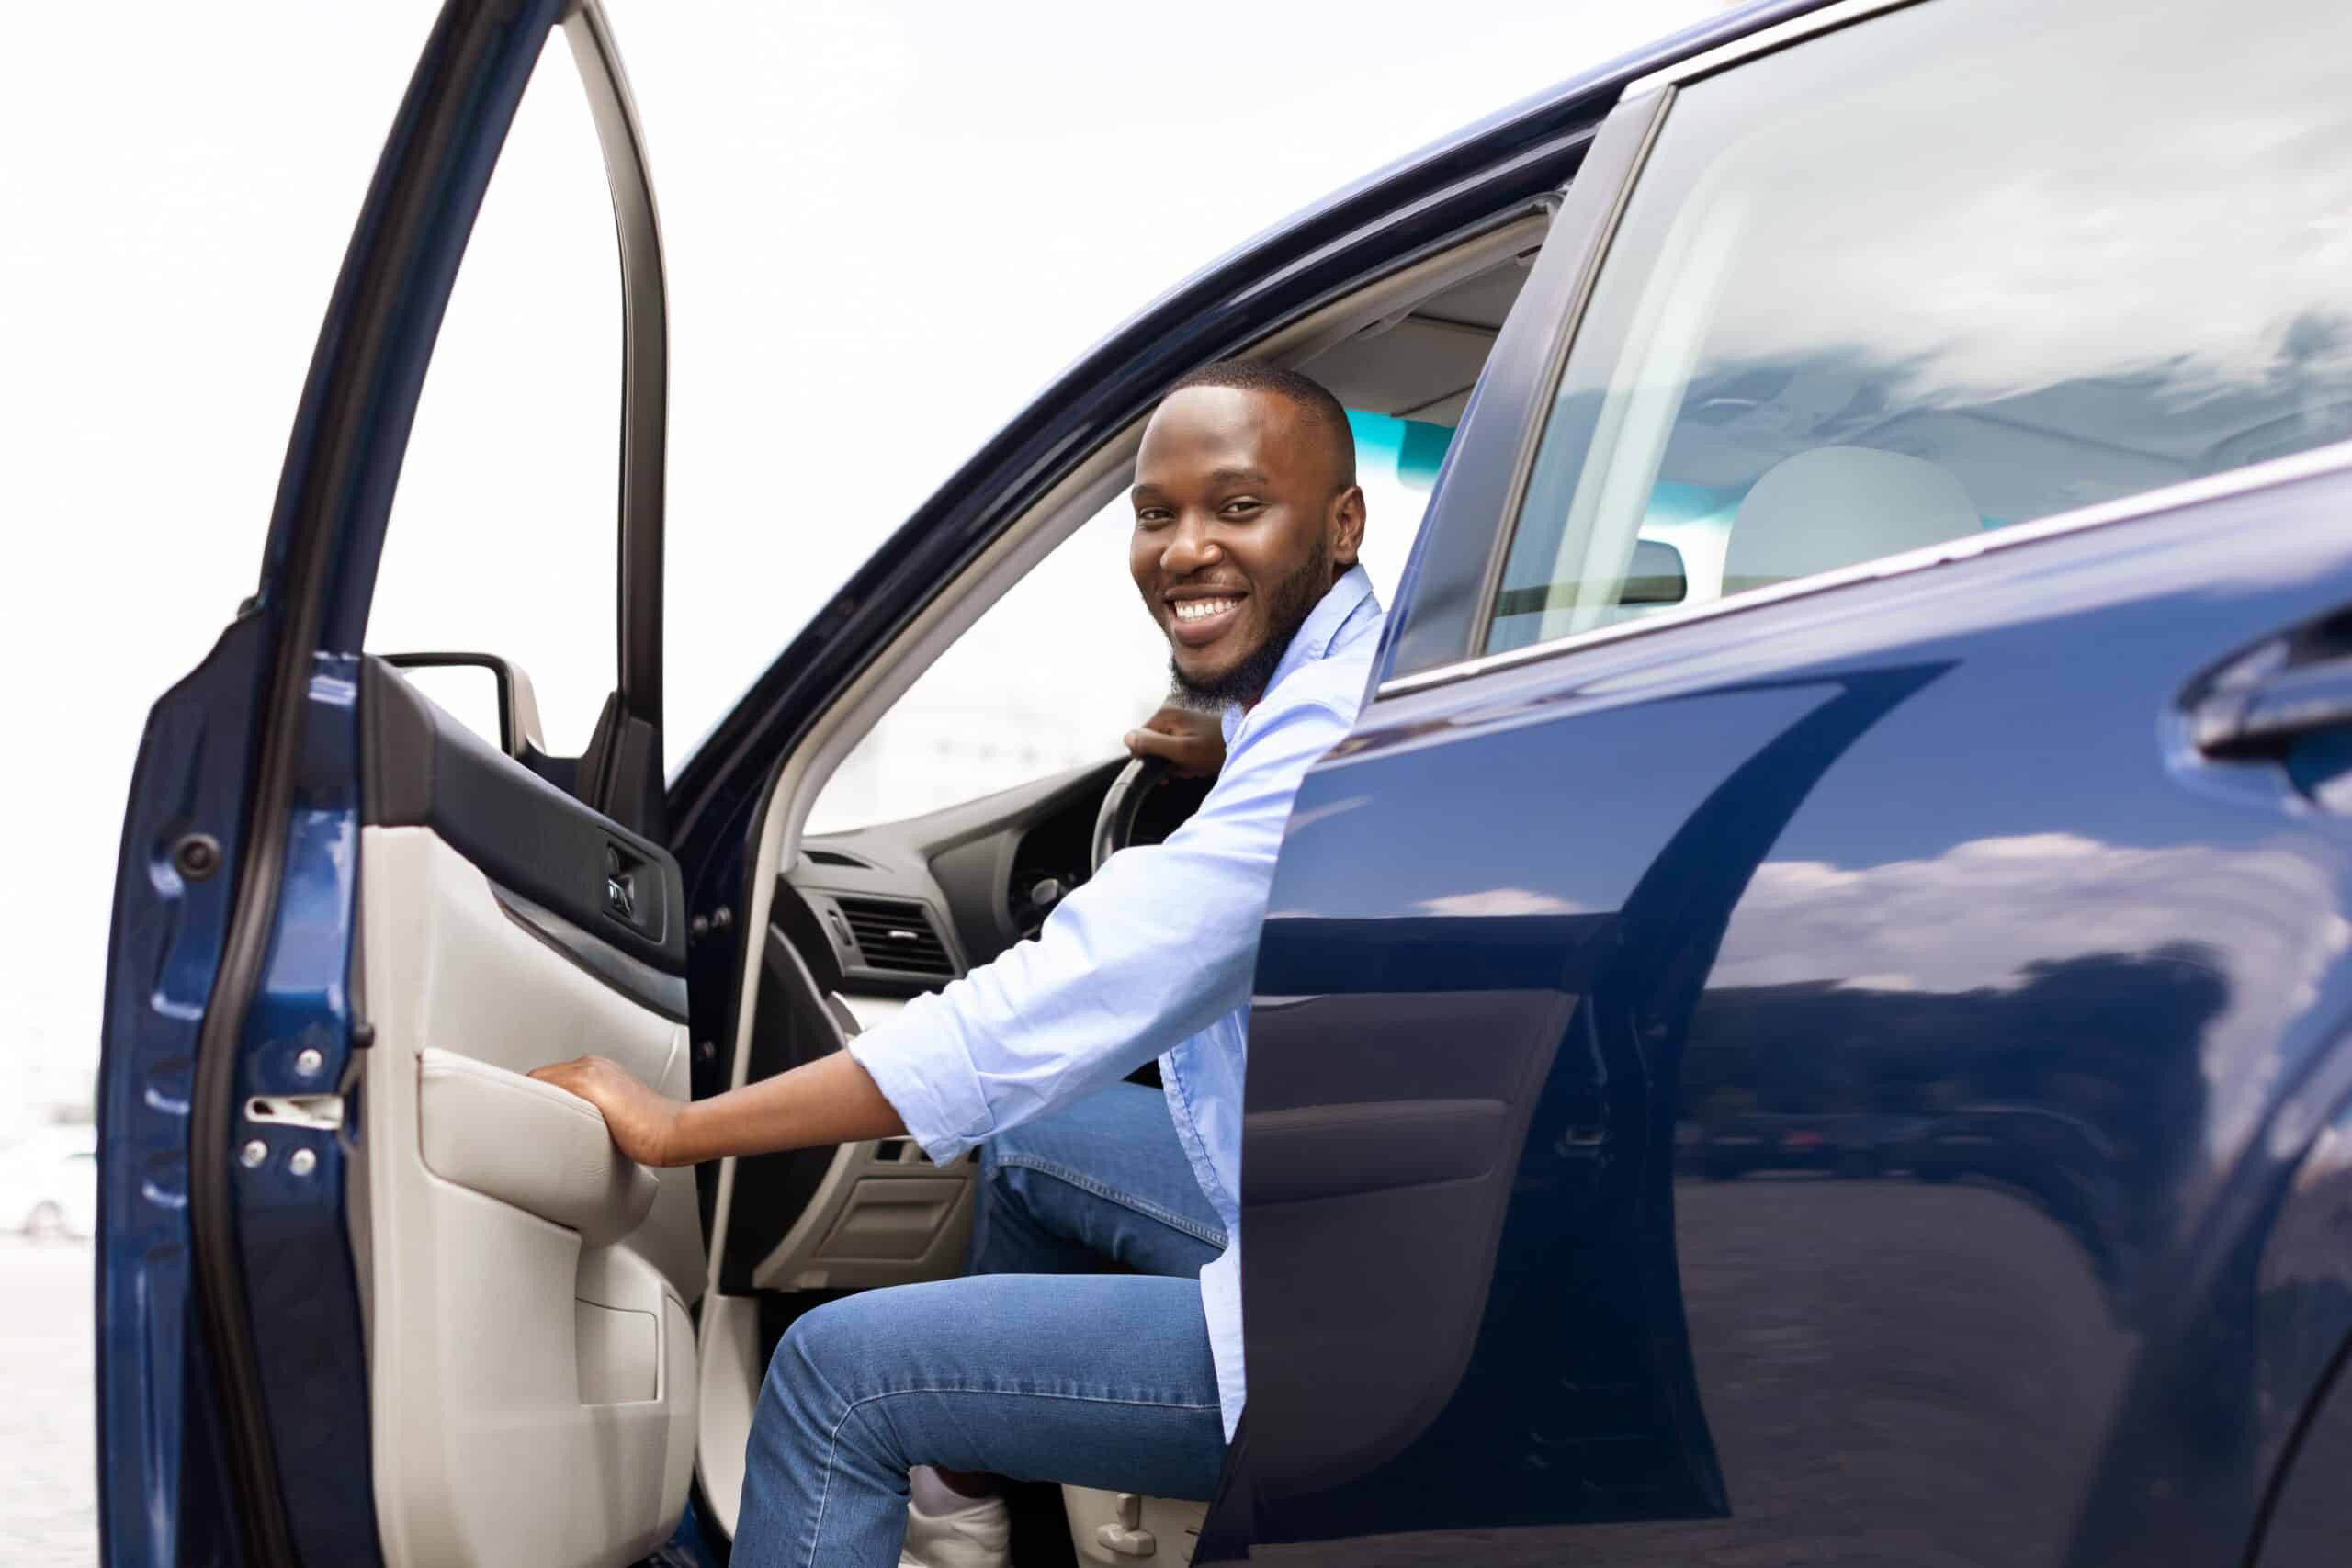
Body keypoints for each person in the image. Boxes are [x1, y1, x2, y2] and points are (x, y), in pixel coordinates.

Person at [532, 361, 1384, 1568]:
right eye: (1156, 514)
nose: (1186, 548)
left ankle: (914, 1477)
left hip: (1342, 1323)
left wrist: (674, 1130)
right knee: (1040, 1143)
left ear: (1343, 522)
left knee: (836, 1380)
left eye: (1239, 508)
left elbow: (1024, 1025)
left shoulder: (1322, 742)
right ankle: (964, 1506)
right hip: (1358, 1210)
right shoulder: (1347, 675)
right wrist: (1224, 738)